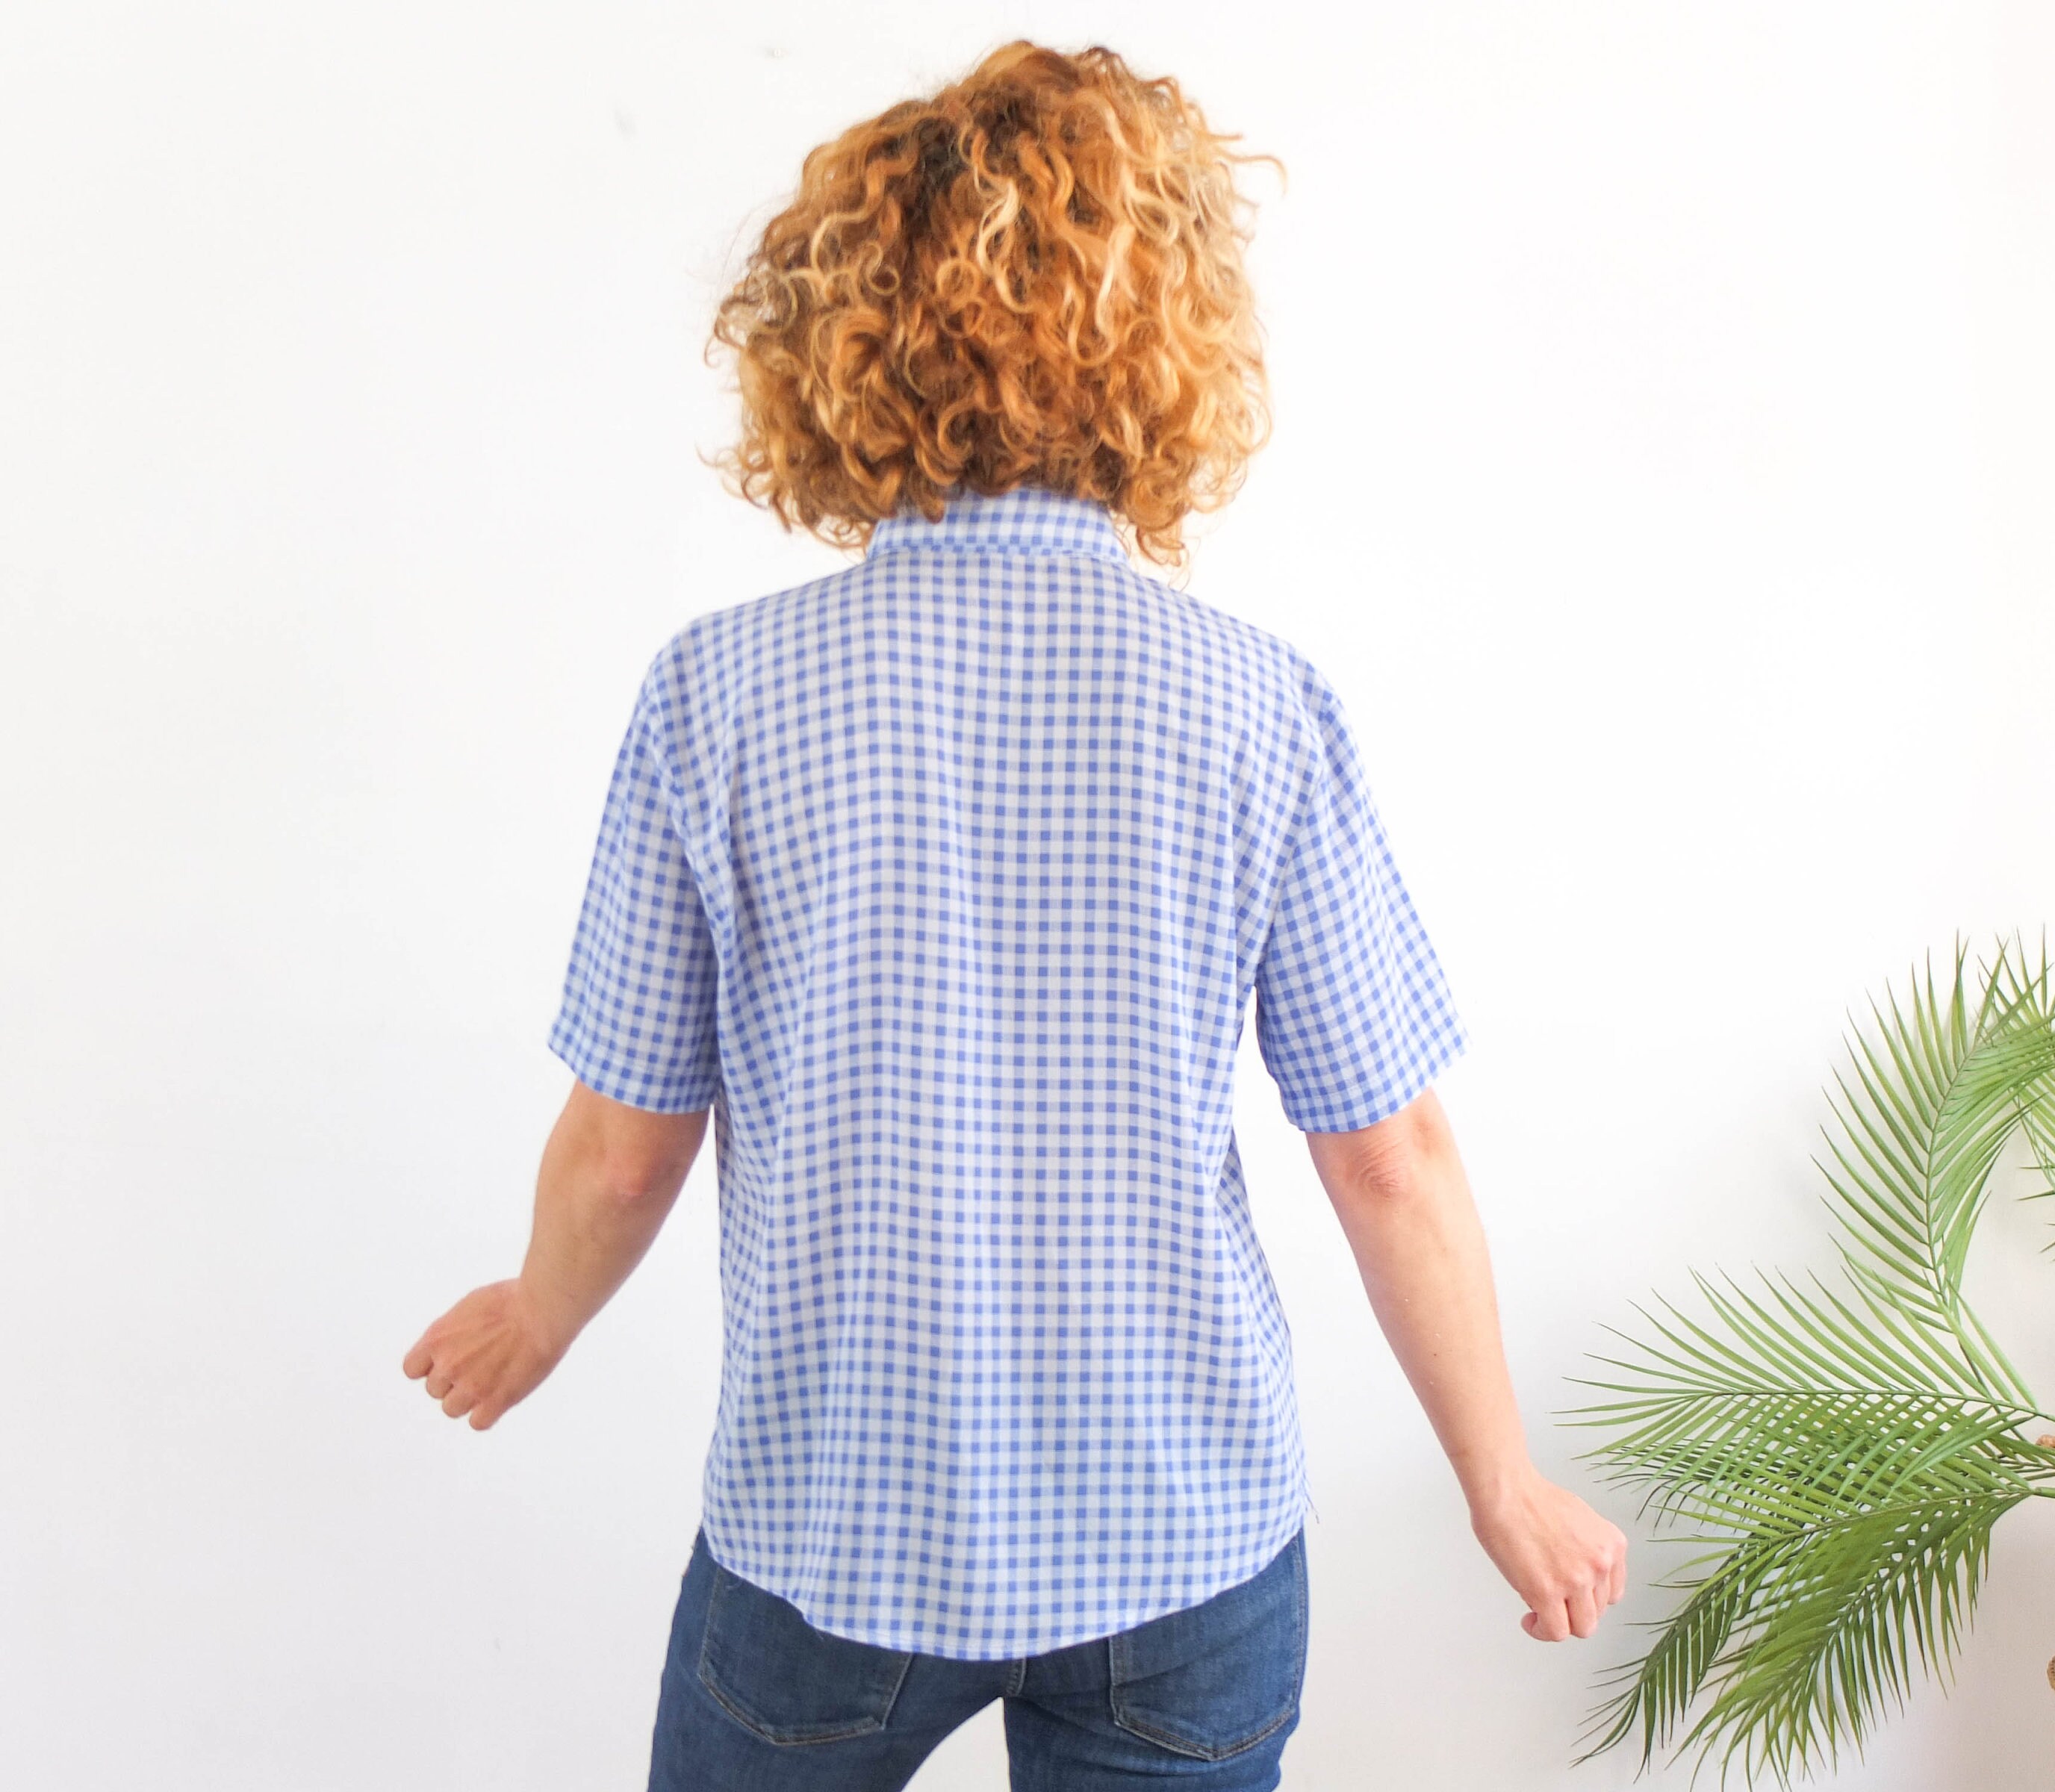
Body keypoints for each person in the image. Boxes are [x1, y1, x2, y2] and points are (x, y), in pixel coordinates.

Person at [402, 37, 1626, 1792]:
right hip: (1173, 1545)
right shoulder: (1255, 708)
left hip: (832, 1533)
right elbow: (1390, 1155)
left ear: (836, 347)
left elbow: (620, 1149)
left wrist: (540, 1308)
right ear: (1169, 344)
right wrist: (1501, 1481)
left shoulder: (720, 699)